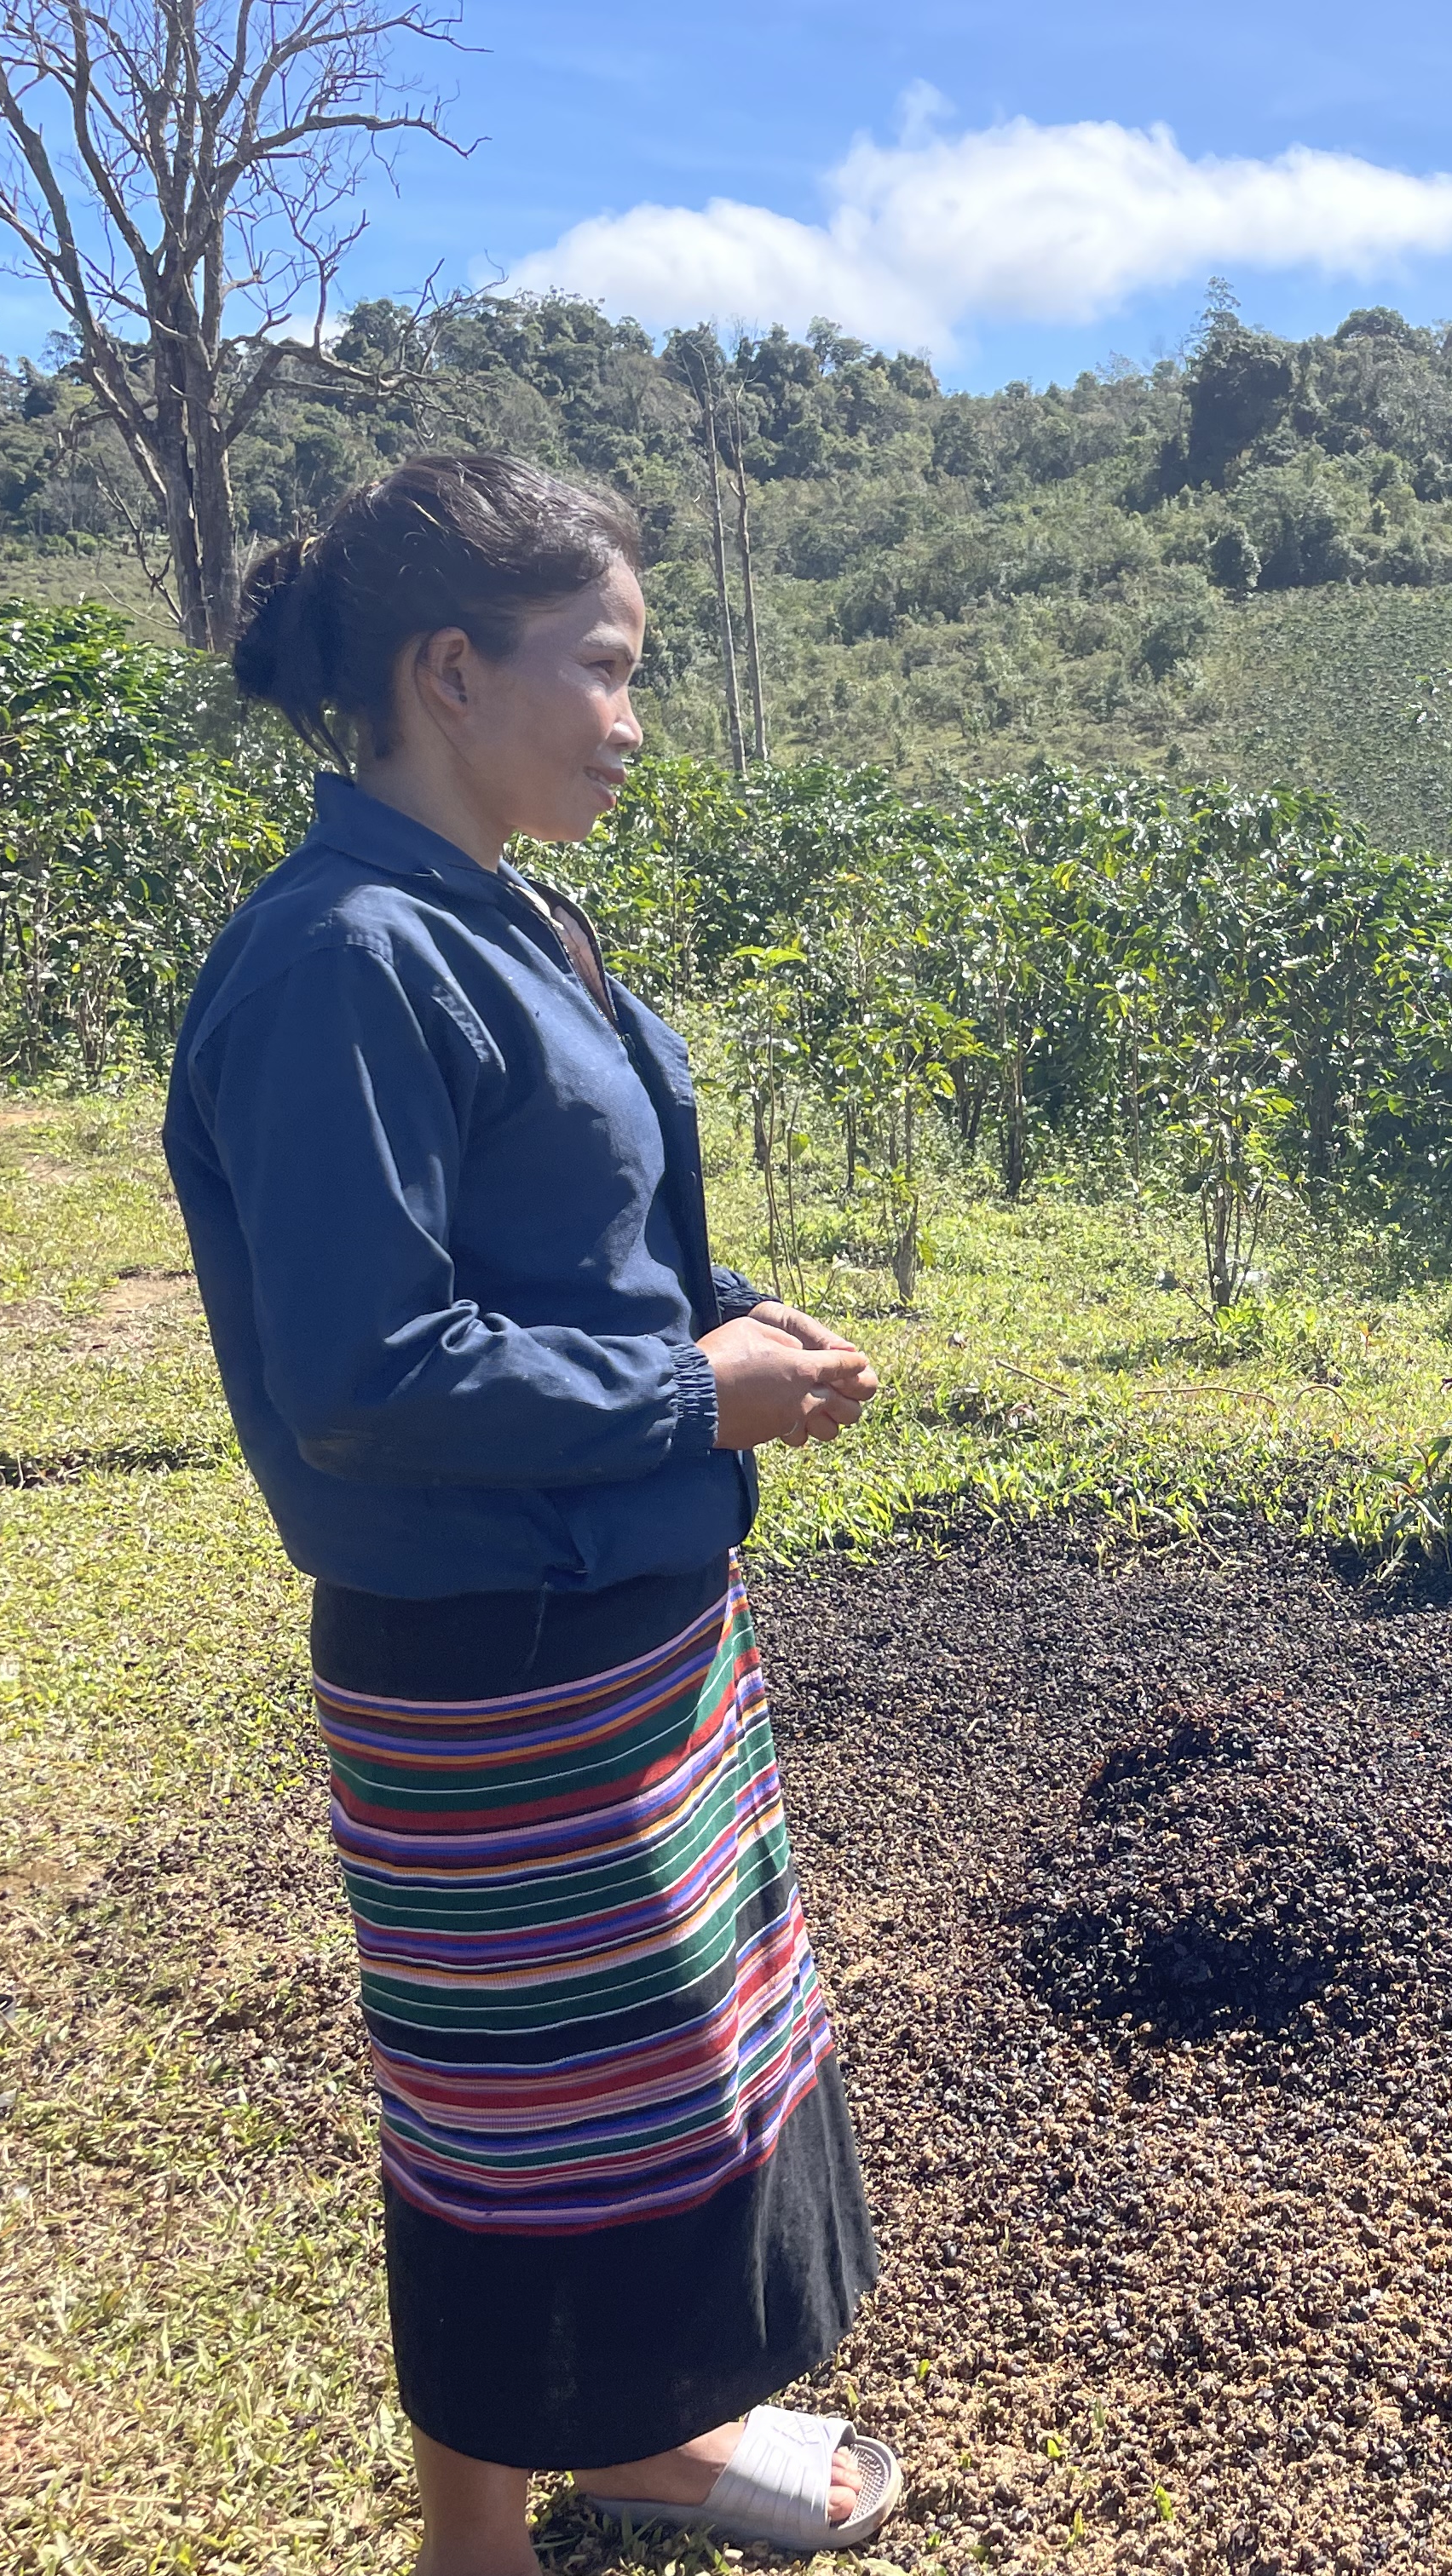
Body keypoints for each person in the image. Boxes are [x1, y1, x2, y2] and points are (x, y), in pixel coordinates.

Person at [163, 456, 900, 2573]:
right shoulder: (340, 964)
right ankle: (473, 2542)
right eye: (605, 668)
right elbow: (372, 1374)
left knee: (636, 2087)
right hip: (498, 1655)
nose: (632, 718)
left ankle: (651, 2446)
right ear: (448, 668)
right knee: (515, 2129)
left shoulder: (502, 918)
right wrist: (696, 1389)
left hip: (614, 1616)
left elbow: (552, 1254)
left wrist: (716, 1321)